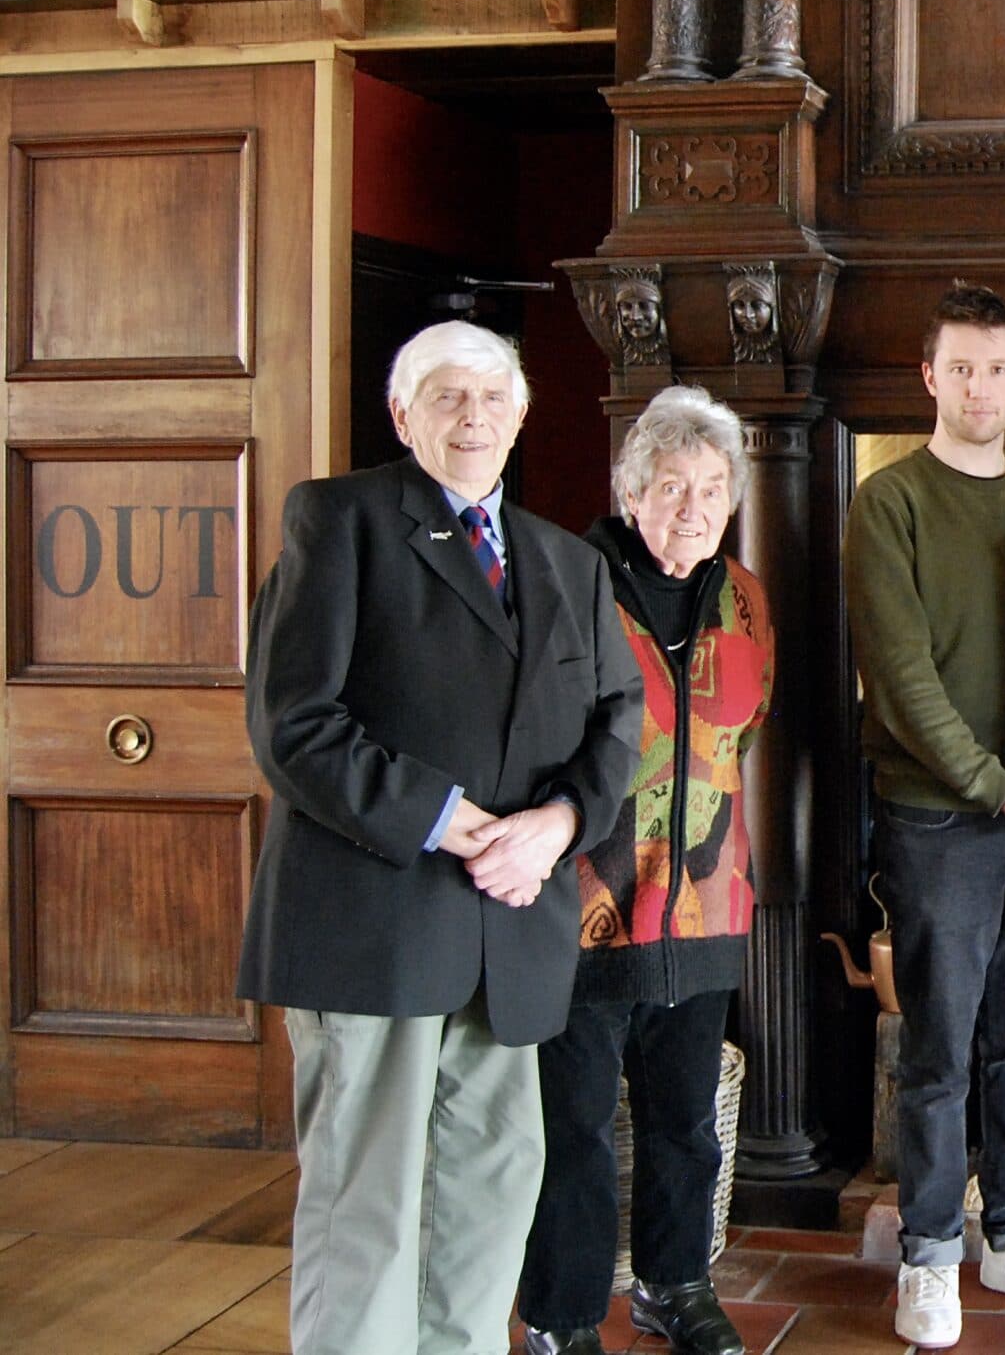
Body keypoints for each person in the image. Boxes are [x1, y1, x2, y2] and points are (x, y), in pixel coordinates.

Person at [237, 321, 641, 1355]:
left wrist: (554, 828)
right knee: (366, 1203)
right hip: (375, 924)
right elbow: (295, 724)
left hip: (514, 928)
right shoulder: (340, 521)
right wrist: (457, 825)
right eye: (448, 396)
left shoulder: (567, 562)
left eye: (492, 398)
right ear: (402, 414)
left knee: (488, 1193)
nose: (473, 417)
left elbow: (616, 722)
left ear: (521, 414)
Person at [844, 282, 1005, 1350]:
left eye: (997, 368)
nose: (980, 387)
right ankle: (928, 1255)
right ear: (930, 379)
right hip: (940, 821)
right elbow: (902, 678)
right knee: (940, 1045)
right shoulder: (890, 501)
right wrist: (996, 785)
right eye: (960, 368)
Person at [517, 386, 775, 1355]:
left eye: (713, 488)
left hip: (705, 906)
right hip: (581, 905)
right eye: (672, 486)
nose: (694, 507)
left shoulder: (747, 601)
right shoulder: (565, 583)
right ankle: (562, 1313)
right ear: (631, 492)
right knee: (573, 1131)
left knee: (686, 1124)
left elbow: (745, 729)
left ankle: (675, 1285)